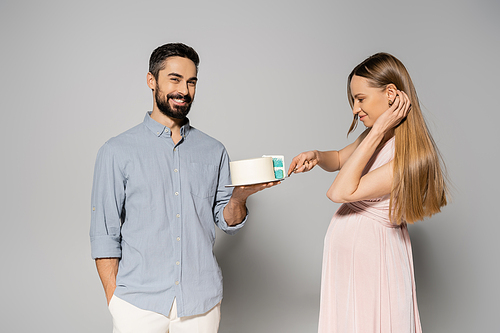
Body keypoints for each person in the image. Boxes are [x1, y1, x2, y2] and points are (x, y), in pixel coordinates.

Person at [90, 42, 279, 333]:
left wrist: (240, 197)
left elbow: (226, 221)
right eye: (175, 79)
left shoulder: (213, 150)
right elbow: (104, 233)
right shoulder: (116, 151)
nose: (184, 90)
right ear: (151, 81)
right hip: (138, 304)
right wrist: (115, 300)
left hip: (200, 302)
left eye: (191, 82)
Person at [288, 52, 448, 332]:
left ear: (390, 94)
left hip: (375, 258)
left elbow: (340, 192)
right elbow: (339, 158)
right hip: (353, 262)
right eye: (353, 101)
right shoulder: (373, 136)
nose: (355, 109)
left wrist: (378, 130)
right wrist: (317, 155)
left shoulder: (409, 157)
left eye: (360, 99)